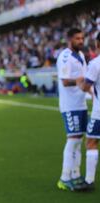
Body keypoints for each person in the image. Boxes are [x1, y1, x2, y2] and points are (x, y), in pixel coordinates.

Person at [56, 28, 88, 191]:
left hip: (81, 103)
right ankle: (64, 177)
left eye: (82, 38)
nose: (81, 41)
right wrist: (81, 80)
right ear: (69, 39)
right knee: (73, 139)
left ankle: (75, 175)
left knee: (79, 139)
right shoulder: (65, 57)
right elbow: (65, 81)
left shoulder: (81, 55)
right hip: (70, 105)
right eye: (77, 38)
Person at [77, 32, 100, 190]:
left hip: (99, 113)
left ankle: (89, 181)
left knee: (91, 142)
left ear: (97, 44)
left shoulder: (95, 63)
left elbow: (86, 87)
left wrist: (79, 82)